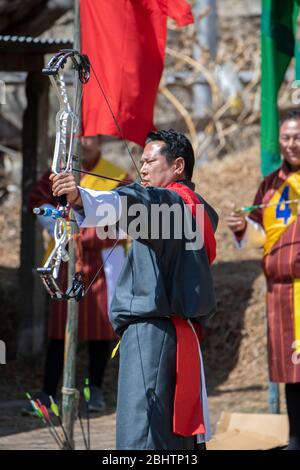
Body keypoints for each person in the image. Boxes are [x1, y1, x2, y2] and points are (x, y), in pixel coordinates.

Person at [50, 129, 218, 450]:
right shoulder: (203, 211)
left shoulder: (168, 205)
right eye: (140, 162)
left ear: (178, 166)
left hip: (151, 336)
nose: (142, 169)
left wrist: (80, 197)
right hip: (179, 336)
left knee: (140, 436)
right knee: (171, 438)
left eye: (149, 161)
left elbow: (135, 203)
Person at [26, 136, 129, 412]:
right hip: (68, 257)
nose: (84, 143)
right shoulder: (59, 173)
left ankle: (94, 389)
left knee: (100, 330)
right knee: (60, 331)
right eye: (80, 136)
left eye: (91, 138)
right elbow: (38, 202)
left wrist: (88, 232)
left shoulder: (115, 175)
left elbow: (128, 216)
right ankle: (48, 392)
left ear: (101, 142)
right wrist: (59, 228)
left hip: (103, 263)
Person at [227, 111, 300, 450]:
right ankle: (296, 437)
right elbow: (260, 235)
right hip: (280, 292)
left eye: (297, 136)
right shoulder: (269, 185)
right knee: (290, 369)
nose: (292, 144)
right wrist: (243, 227)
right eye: (286, 137)